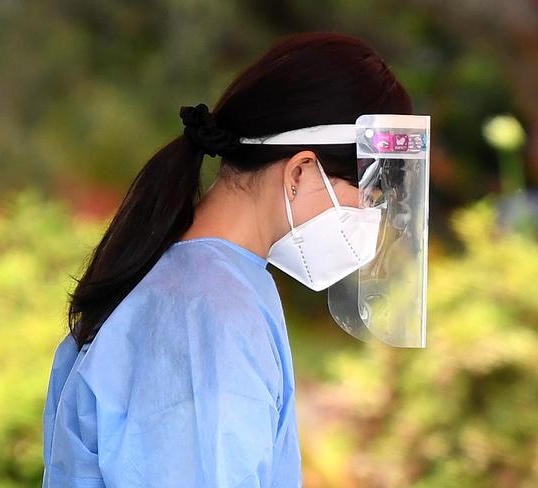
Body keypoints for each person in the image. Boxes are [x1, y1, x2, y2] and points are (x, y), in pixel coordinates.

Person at [41, 31, 414, 487]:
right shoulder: (209, 310)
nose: (371, 217)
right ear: (299, 172)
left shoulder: (194, 281)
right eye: (369, 194)